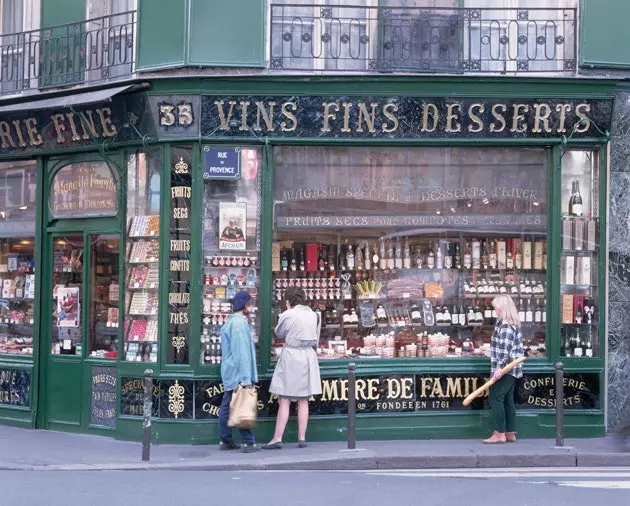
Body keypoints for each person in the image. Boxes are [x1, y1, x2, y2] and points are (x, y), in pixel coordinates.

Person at [262, 286, 322, 449]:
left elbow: (279, 333)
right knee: (304, 400)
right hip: (308, 356)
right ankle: (301, 438)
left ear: (288, 300)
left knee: (285, 399)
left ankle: (277, 438)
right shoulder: (314, 315)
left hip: (292, 355)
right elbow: (317, 335)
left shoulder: (288, 314)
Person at [219, 290, 259, 453]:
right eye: (250, 304)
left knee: (228, 405)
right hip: (237, 372)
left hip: (229, 370)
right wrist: (245, 379)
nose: (252, 308)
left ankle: (226, 439)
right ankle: (248, 441)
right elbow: (241, 352)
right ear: (245, 306)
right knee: (242, 404)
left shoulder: (230, 322)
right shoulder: (239, 324)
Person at [484, 294, 525, 444]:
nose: (495, 310)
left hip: (506, 369)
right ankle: (510, 433)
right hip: (512, 369)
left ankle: (499, 433)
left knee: (495, 397)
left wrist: (499, 368)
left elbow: (505, 351)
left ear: (502, 308)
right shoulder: (507, 323)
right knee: (508, 400)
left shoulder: (506, 326)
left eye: (496, 307)